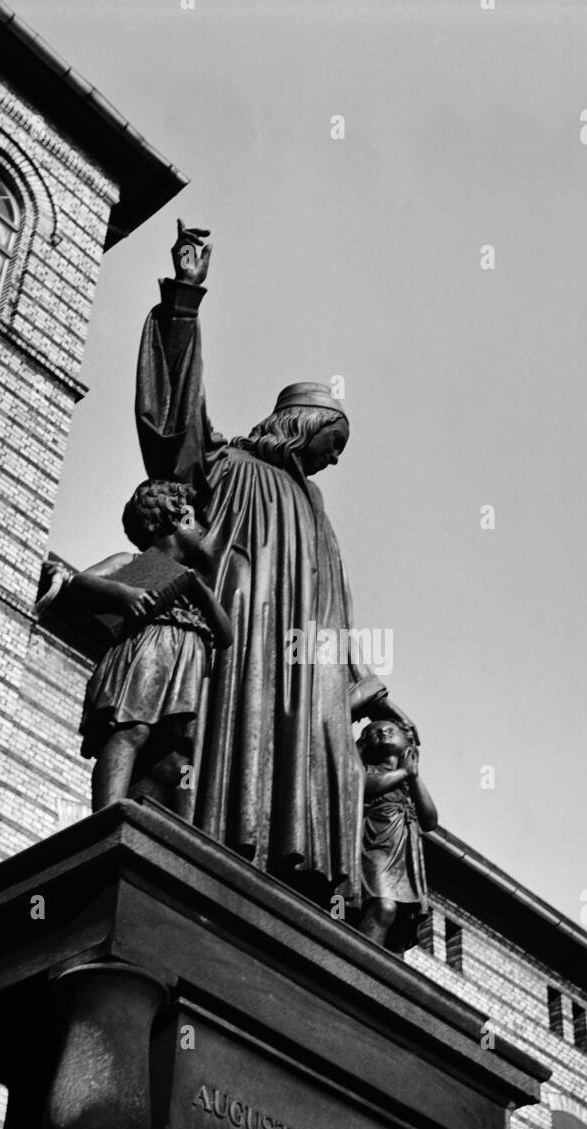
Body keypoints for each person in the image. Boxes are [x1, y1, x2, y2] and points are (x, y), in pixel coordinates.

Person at [135, 220, 416, 906]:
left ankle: (291, 868)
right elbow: (170, 422)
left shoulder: (314, 506)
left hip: (310, 667)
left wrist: (360, 681)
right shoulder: (225, 461)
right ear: (301, 425)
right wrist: (185, 301)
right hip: (240, 634)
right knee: (229, 738)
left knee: (308, 766)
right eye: (332, 439)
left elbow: (334, 609)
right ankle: (212, 843)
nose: (336, 457)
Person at [71, 478, 231, 814]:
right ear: (180, 520)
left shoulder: (195, 583)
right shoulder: (131, 561)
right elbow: (81, 582)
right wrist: (125, 594)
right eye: (196, 521)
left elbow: (226, 634)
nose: (203, 530)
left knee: (179, 758)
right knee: (132, 730)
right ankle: (107, 814)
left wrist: (201, 592)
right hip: (148, 651)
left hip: (185, 664)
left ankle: (176, 826)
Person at [354, 720, 438, 954]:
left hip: (402, 858)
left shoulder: (410, 783)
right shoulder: (366, 770)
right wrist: (404, 772)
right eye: (374, 732)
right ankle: (358, 964)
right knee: (383, 906)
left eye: (391, 730)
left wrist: (412, 777)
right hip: (373, 847)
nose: (382, 731)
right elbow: (365, 785)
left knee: (396, 917)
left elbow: (430, 820)